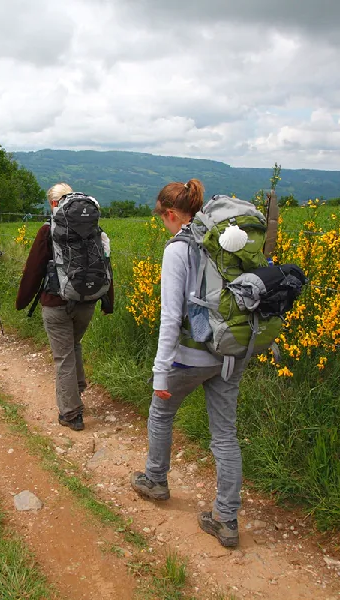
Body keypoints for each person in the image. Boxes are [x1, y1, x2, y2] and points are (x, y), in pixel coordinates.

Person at [130, 179, 249, 549]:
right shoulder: (228, 240)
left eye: (162, 218)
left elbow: (170, 317)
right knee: (225, 435)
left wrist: (159, 371)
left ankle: (155, 480)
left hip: (190, 356)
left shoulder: (178, 249)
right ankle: (226, 519)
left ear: (169, 214)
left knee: (161, 413)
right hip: (231, 351)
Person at [15, 183, 113, 431]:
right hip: (87, 300)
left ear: (52, 204)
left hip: (56, 303)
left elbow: (34, 269)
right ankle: (76, 390)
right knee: (74, 344)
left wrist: (22, 300)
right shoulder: (94, 232)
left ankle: (71, 413)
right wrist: (107, 301)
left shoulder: (48, 230)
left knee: (63, 356)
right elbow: (105, 266)